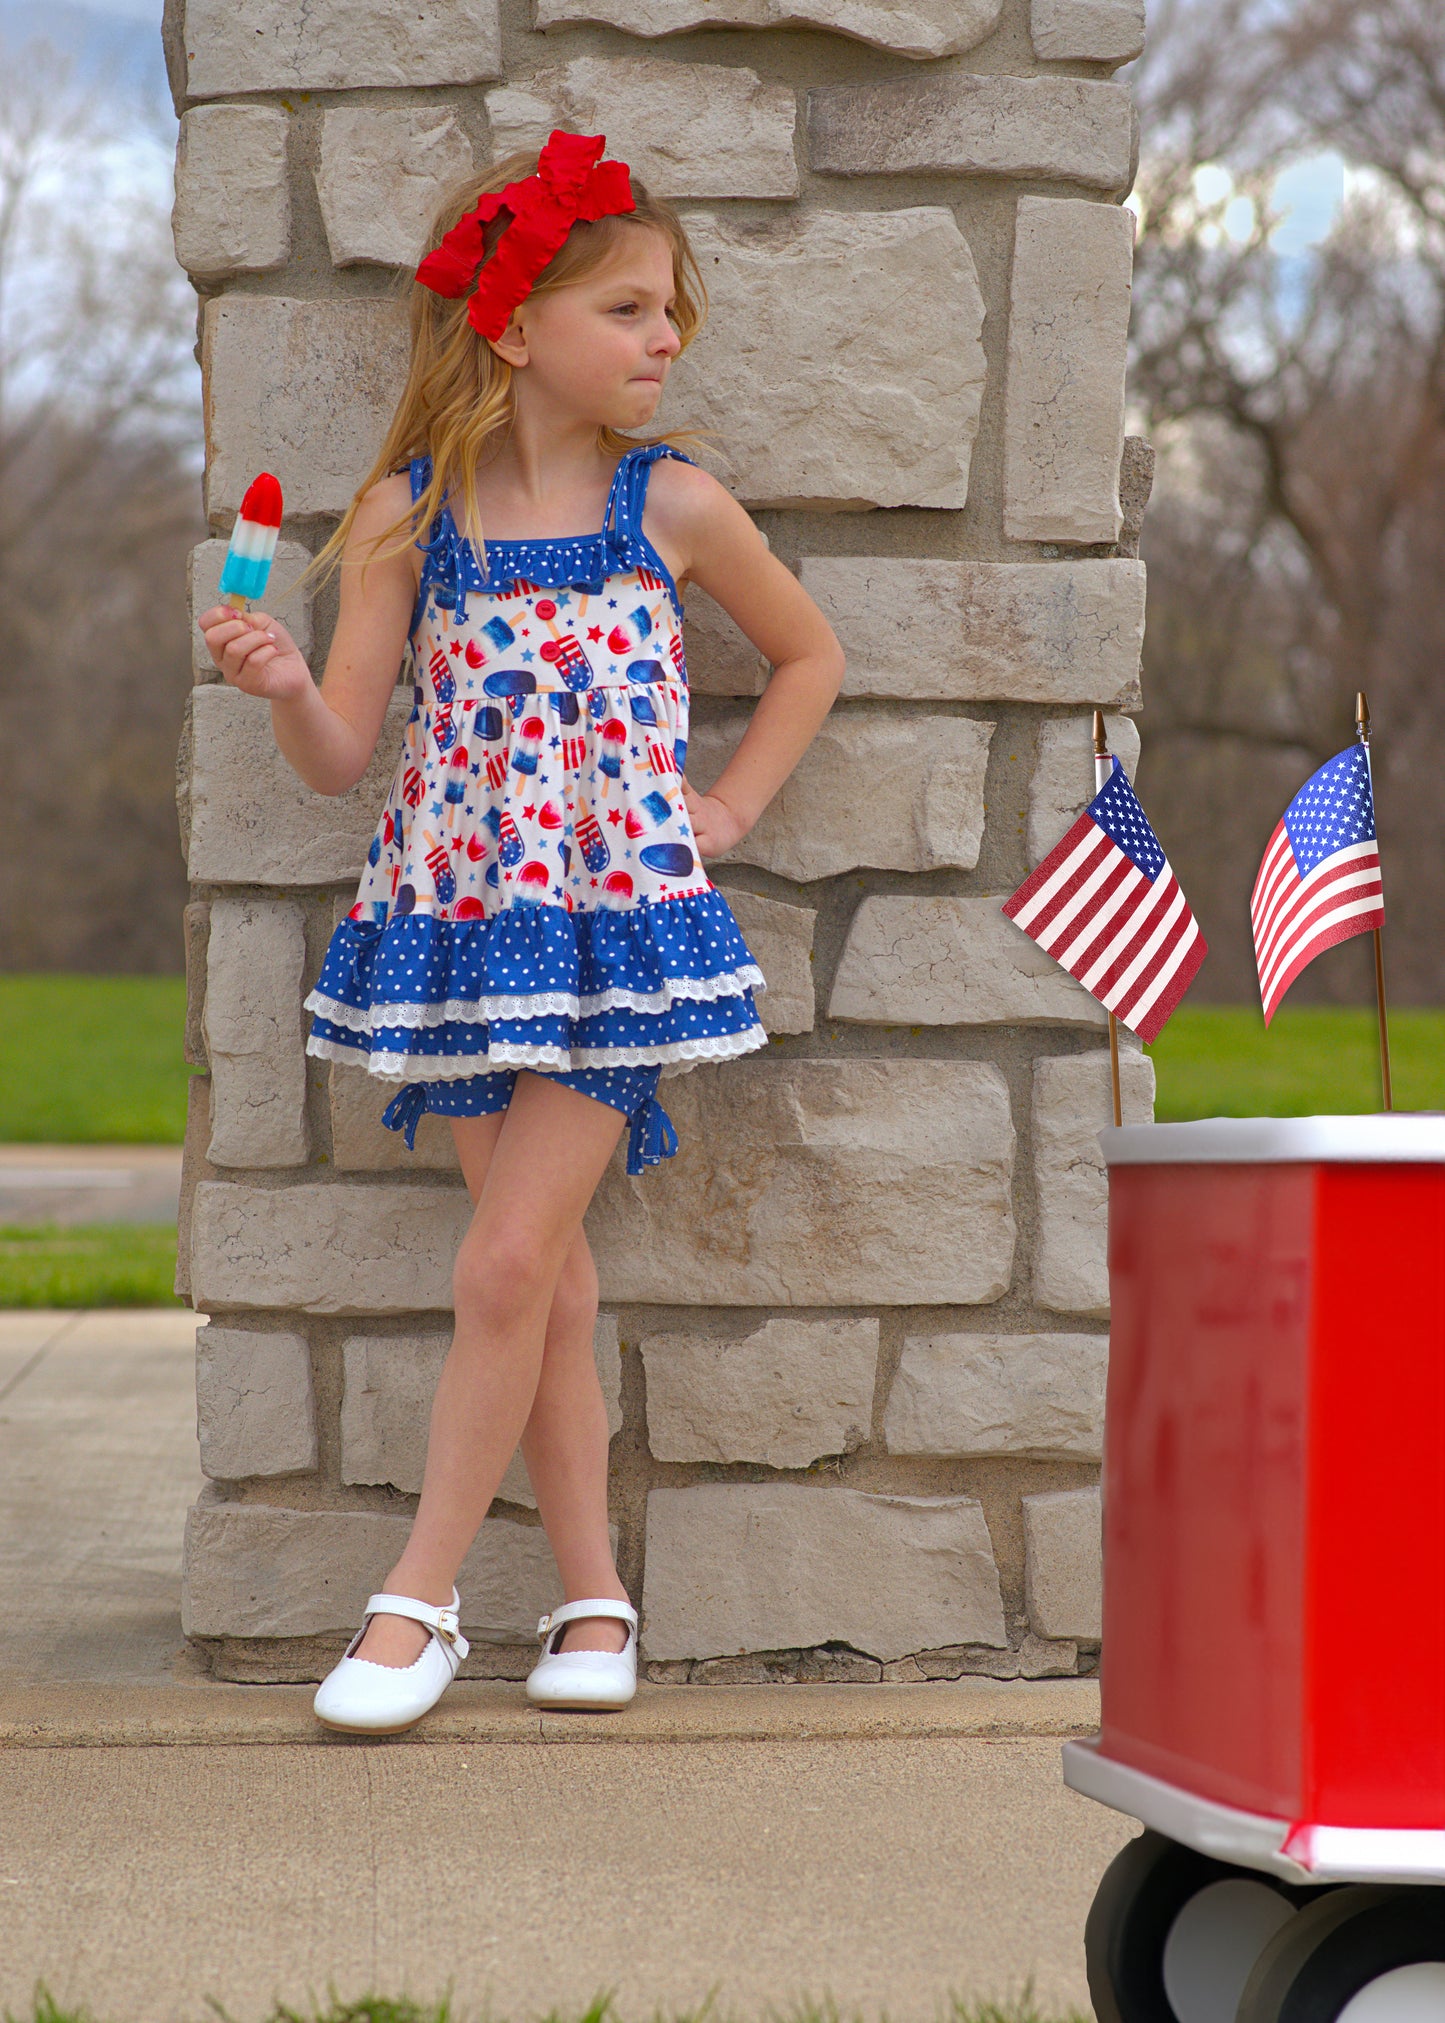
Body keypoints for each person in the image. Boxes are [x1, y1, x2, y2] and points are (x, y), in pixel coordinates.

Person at [196, 131, 845, 1735]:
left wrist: (734, 808)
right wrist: (285, 687)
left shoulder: (672, 503)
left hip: (614, 934)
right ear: (512, 328)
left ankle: (414, 1605)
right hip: (457, 925)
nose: (663, 338)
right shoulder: (410, 513)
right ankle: (594, 1596)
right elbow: (347, 753)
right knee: (540, 1278)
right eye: (627, 308)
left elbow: (810, 655)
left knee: (502, 1260)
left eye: (668, 311)